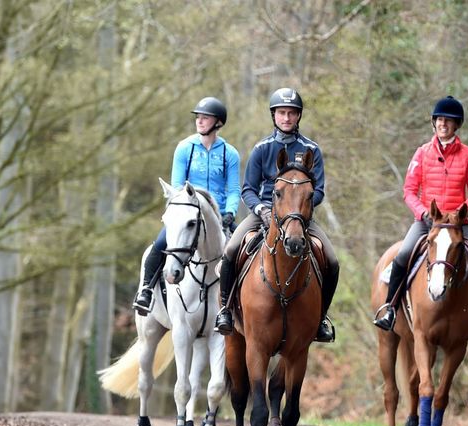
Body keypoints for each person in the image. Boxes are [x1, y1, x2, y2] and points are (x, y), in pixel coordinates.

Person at [372, 96, 468, 342]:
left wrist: (462, 211)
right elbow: (409, 190)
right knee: (402, 256)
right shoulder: (422, 153)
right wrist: (423, 212)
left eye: (449, 121)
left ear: (457, 125)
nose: (443, 124)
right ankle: (390, 309)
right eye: (440, 120)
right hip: (427, 222)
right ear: (434, 123)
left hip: (457, 225)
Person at [214, 87, 339, 343]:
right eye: (282, 113)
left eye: (291, 113)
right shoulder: (262, 148)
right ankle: (226, 311)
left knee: (332, 260)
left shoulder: (311, 149)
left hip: (300, 217)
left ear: (298, 117)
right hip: (264, 213)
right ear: (274, 116)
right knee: (231, 251)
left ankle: (321, 318)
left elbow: (319, 191)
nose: (286, 118)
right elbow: (248, 188)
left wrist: (299, 212)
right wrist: (261, 209)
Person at [132, 96, 241, 315]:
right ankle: (146, 290)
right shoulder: (184, 148)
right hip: (189, 212)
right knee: (161, 242)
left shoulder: (230, 154)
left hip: (219, 215)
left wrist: (230, 212)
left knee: (243, 250)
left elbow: (233, 189)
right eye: (198, 117)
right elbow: (177, 186)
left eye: (205, 118)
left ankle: (239, 305)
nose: (199, 121)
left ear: (217, 122)